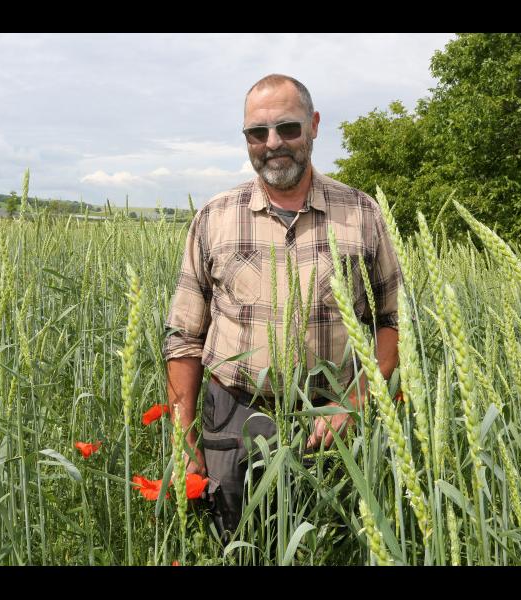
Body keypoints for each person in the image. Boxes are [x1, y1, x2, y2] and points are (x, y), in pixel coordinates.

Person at [162, 74, 402, 543]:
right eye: (258, 132)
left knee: (331, 548)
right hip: (234, 421)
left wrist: (353, 402)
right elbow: (184, 337)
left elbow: (393, 321)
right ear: (247, 138)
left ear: (313, 126)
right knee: (238, 546)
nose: (273, 144)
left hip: (332, 425)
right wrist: (183, 442)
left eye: (288, 128)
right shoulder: (214, 217)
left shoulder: (362, 213)